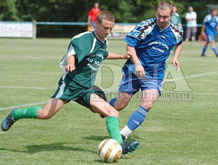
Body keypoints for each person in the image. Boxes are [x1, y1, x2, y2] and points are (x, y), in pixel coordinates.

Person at [1, 11, 139, 155]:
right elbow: (71, 54)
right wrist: (71, 64)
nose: (108, 32)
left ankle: (119, 146)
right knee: (45, 114)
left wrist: (121, 56)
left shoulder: (103, 41)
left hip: (86, 89)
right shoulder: (85, 39)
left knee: (112, 112)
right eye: (105, 28)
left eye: (111, 28)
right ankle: (16, 114)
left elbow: (103, 54)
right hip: (71, 85)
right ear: (96, 24)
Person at [109, 2, 183, 141]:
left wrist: (176, 57)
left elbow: (180, 43)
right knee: (120, 105)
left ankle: (122, 135)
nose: (161, 20)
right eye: (159, 16)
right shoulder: (145, 26)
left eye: (165, 17)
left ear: (171, 16)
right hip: (134, 69)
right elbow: (129, 45)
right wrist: (137, 64)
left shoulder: (176, 32)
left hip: (155, 74)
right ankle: (104, 106)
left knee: (148, 103)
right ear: (156, 13)